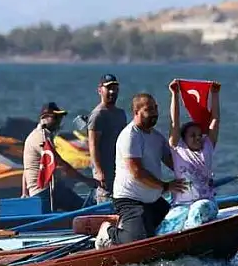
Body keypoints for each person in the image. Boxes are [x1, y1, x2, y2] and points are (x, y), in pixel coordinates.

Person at [111, 93, 187, 244]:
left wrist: (197, 174)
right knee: (139, 240)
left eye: (155, 108)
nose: (154, 113)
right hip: (130, 200)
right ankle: (109, 232)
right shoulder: (130, 136)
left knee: (179, 221)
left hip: (153, 200)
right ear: (136, 112)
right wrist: (166, 186)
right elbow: (136, 172)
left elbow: (174, 162)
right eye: (149, 109)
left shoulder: (157, 137)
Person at [22, 102, 97, 211]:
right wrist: (86, 180)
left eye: (60, 117)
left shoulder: (40, 135)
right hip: (45, 192)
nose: (59, 121)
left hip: (42, 191)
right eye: (55, 117)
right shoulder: (40, 137)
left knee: (69, 194)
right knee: (87, 209)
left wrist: (25, 192)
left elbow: (26, 169)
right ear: (44, 118)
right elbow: (60, 163)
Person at [168, 79, 222, 206]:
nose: (197, 138)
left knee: (201, 209)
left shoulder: (207, 146)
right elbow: (174, 122)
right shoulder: (178, 148)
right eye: (192, 135)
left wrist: (215, 94)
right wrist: (175, 94)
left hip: (206, 203)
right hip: (182, 205)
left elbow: (215, 120)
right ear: (183, 138)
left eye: (199, 135)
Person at [86, 73, 128, 203]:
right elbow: (93, 145)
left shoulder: (121, 114)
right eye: (108, 88)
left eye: (115, 88)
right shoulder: (98, 115)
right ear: (100, 90)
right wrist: (99, 171)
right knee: (106, 204)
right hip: (105, 173)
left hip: (120, 170)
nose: (112, 92)